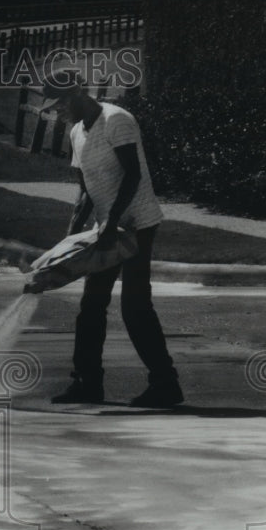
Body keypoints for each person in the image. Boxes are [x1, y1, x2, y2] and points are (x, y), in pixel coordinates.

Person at [40, 70, 183, 408]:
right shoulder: (77, 131)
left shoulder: (116, 120)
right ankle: (87, 383)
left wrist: (113, 220)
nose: (57, 113)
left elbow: (133, 174)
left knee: (134, 306)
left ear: (76, 96)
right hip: (107, 227)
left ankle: (166, 385)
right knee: (91, 305)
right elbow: (86, 190)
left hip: (138, 223)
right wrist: (71, 237)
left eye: (59, 105)